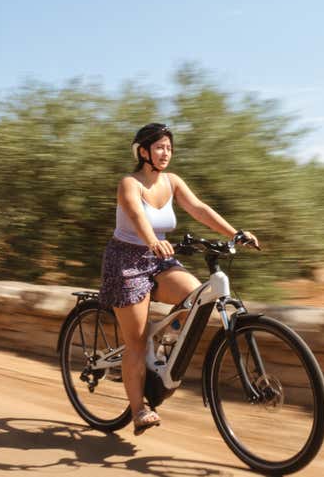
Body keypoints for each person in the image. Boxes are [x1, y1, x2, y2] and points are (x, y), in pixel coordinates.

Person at [98, 123, 259, 436]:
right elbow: (135, 215)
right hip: (126, 261)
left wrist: (234, 233)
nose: (166, 153)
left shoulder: (172, 181)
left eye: (169, 147)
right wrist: (151, 240)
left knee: (198, 298)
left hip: (159, 259)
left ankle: (163, 345)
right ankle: (139, 409)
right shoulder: (129, 183)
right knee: (136, 341)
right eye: (159, 147)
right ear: (143, 151)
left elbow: (198, 208)